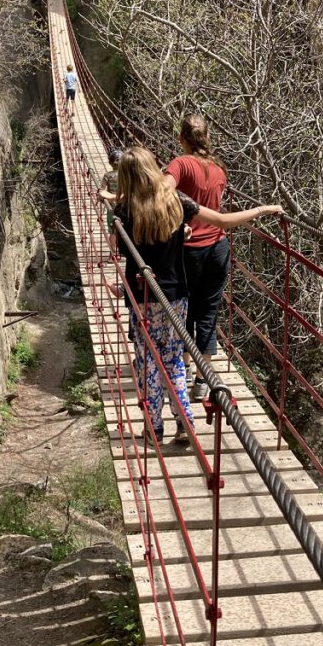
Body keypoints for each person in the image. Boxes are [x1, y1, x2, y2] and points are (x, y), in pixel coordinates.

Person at [114, 146, 282, 446]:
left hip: (142, 299)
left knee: (149, 364)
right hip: (176, 297)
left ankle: (155, 430)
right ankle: (185, 425)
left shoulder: (124, 211)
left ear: (126, 177)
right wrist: (260, 210)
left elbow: (124, 249)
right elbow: (220, 220)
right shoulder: (175, 201)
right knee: (175, 361)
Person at [165, 113, 237, 401]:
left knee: (184, 312)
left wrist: (177, 220)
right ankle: (201, 380)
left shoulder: (180, 164)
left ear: (182, 138)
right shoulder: (219, 168)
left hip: (188, 250)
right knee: (207, 314)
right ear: (208, 137)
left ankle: (182, 370)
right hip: (218, 249)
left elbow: (163, 191)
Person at [98, 148, 123, 248]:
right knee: (125, 228)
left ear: (110, 163)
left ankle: (113, 254)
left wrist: (101, 199)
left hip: (112, 206)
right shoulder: (126, 176)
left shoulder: (107, 176)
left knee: (112, 230)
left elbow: (101, 191)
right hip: (125, 204)